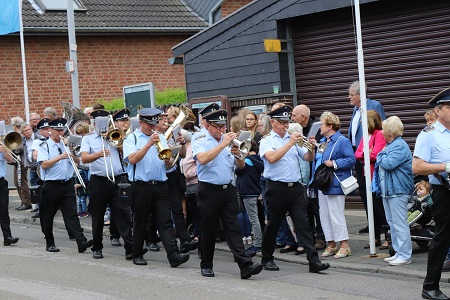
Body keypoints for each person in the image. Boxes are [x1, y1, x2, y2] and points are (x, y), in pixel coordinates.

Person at [192, 108, 263, 279]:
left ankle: (245, 265)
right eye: (217, 127)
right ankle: (206, 264)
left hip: (228, 190)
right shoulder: (200, 138)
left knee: (233, 228)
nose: (221, 130)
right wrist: (223, 144)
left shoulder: (229, 140)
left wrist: (238, 155)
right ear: (207, 126)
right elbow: (202, 159)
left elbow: (241, 167)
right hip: (208, 190)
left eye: (223, 126)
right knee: (209, 229)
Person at [259, 105, 330, 273]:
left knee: (303, 224)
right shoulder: (267, 140)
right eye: (282, 122)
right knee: (273, 224)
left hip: (295, 188)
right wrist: (290, 143)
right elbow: (272, 158)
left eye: (287, 122)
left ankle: (313, 261)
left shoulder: (292, 138)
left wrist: (312, 148)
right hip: (276, 188)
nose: (285, 125)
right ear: (273, 122)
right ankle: (267, 258)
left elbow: (307, 158)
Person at [123, 108, 189, 267]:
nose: (153, 127)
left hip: (160, 185)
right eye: (149, 124)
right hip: (141, 186)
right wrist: (148, 144)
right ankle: (137, 253)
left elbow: (169, 164)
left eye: (154, 123)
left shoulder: (160, 137)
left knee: (165, 222)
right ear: (141, 123)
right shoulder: (131, 138)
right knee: (141, 222)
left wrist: (168, 161)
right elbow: (132, 159)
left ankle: (173, 256)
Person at [80, 109, 134, 259]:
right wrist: (98, 154)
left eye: (106, 121)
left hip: (117, 180)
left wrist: (115, 142)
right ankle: (97, 247)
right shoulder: (88, 139)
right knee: (98, 215)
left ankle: (131, 248)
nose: (103, 124)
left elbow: (125, 153)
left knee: (123, 214)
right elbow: (84, 159)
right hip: (99, 181)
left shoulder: (114, 135)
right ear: (95, 123)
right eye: (100, 122)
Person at [412, 87, 450, 300]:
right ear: (438, 111)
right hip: (443, 191)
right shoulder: (428, 135)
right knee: (442, 237)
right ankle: (430, 287)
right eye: (449, 107)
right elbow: (417, 167)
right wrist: (444, 167)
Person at [36, 117, 93, 253]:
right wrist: (60, 156)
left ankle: (81, 242)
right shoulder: (45, 146)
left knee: (72, 214)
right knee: (49, 215)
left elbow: (78, 162)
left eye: (62, 130)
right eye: (57, 130)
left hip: (67, 184)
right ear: (50, 130)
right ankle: (50, 243)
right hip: (51, 185)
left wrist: (71, 152)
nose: (60, 133)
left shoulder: (68, 144)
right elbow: (44, 165)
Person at [312, 111, 355, 259]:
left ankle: (344, 245)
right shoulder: (325, 141)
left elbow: (351, 159)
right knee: (324, 215)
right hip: (324, 183)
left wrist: (335, 163)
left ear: (330, 126)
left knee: (336, 215)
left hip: (335, 182)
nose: (320, 128)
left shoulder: (342, 141)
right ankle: (331, 244)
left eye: (322, 125)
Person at [372, 116, 414, 266]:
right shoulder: (391, 146)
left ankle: (405, 255)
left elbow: (388, 163)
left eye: (384, 129)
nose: (382, 131)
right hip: (389, 191)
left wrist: (380, 155)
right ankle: (398, 252)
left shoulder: (399, 146)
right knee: (392, 223)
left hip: (398, 190)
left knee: (399, 223)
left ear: (390, 131)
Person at [347, 81, 387, 234]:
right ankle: (372, 224)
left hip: (370, 157)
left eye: (351, 95)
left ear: (360, 95)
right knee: (363, 191)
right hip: (358, 156)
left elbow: (380, 128)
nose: (349, 98)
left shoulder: (374, 106)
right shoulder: (356, 110)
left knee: (374, 193)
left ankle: (382, 226)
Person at [292, 104, 326, 250]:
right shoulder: (295, 130)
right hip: (304, 176)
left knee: (317, 209)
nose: (291, 118)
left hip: (315, 175)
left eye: (294, 115)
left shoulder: (317, 128)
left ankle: (321, 237)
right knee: (306, 210)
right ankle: (309, 237)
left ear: (303, 117)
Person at [354, 110, 388, 249]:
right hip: (365, 174)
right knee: (370, 207)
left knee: (379, 207)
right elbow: (357, 153)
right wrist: (365, 153)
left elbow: (376, 154)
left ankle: (387, 237)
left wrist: (366, 154)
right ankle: (375, 237)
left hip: (375, 175)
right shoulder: (364, 137)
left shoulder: (379, 134)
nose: (361, 123)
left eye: (363, 120)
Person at [236, 139, 264, 256]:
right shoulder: (258, 159)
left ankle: (257, 243)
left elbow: (238, 170)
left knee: (253, 218)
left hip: (248, 192)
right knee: (255, 217)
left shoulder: (247, 161)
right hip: (254, 191)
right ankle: (258, 241)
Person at [0, 122, 19, 247]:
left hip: (1, 181)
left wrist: (5, 148)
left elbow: (10, 159)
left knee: (3, 210)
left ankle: (7, 236)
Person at [31, 118, 52, 219]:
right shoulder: (37, 141)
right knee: (42, 194)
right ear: (40, 131)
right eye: (45, 129)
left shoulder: (58, 140)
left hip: (57, 173)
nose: (48, 130)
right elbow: (35, 156)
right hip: (44, 172)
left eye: (49, 128)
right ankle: (41, 211)